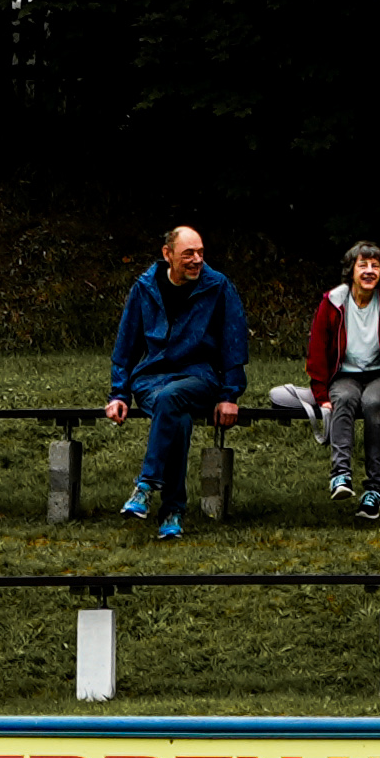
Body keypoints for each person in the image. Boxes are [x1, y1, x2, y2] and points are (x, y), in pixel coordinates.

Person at [102, 225, 249, 544]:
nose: (197, 260)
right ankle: (171, 513)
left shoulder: (218, 286)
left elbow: (233, 343)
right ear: (167, 255)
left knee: (173, 399)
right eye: (188, 254)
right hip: (152, 378)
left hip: (199, 377)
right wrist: (119, 393)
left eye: (200, 253)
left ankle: (146, 485)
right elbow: (126, 344)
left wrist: (229, 394)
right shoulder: (144, 288)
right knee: (175, 415)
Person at [302, 242, 380, 521]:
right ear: (351, 270)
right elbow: (318, 349)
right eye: (363, 265)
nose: (369, 271)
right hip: (344, 375)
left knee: (374, 402)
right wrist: (320, 392)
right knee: (343, 398)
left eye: (375, 266)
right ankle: (340, 475)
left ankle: (374, 490)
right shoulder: (332, 301)